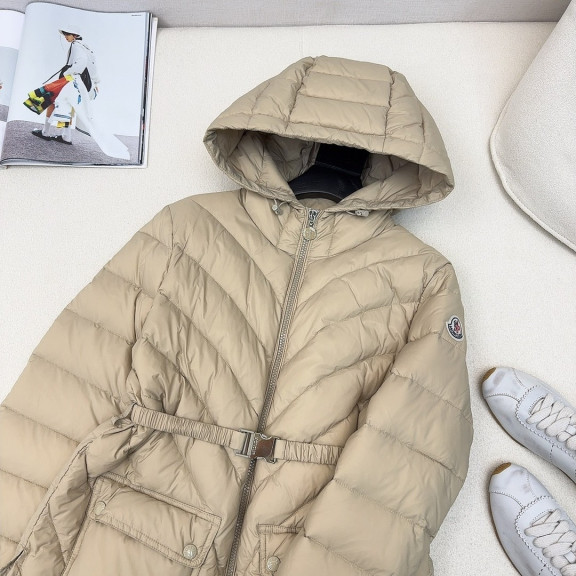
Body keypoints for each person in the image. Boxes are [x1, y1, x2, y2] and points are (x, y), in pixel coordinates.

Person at [32, 25, 100, 145]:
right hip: (78, 82)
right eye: (65, 34)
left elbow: (81, 63)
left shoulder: (76, 46)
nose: (65, 37)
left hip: (71, 79)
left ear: (75, 35)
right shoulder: (85, 47)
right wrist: (95, 82)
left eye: (67, 34)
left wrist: (67, 73)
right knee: (66, 105)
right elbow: (92, 65)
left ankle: (46, 132)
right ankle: (66, 136)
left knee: (51, 99)